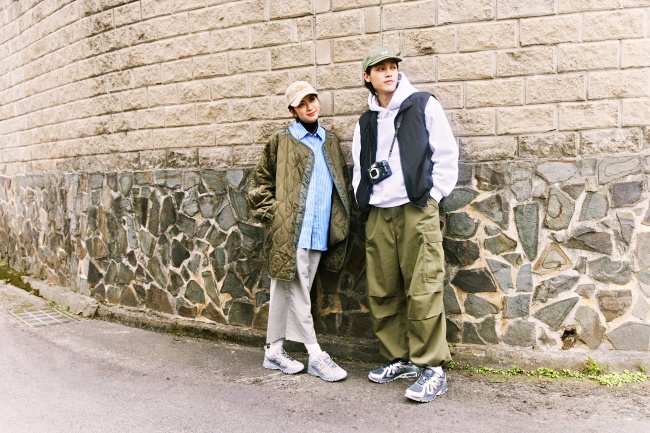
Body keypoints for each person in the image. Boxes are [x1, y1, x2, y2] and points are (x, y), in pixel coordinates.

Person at [351, 46, 459, 402]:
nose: (389, 72)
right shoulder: (365, 122)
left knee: (423, 286)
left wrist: (432, 197)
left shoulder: (423, 104)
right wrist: (365, 200)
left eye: (392, 66)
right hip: (379, 213)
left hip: (415, 209)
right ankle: (399, 358)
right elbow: (359, 167)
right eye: (380, 68)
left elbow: (446, 153)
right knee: (382, 290)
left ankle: (433, 368)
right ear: (367, 77)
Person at [248, 81, 351, 382]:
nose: (309, 107)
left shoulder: (330, 141)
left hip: (320, 230)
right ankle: (315, 354)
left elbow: (340, 182)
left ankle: (274, 351)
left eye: (312, 100)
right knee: (298, 291)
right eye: (302, 103)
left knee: (288, 291)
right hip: (290, 231)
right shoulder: (281, 141)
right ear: (292, 110)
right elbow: (259, 184)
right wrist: (275, 214)